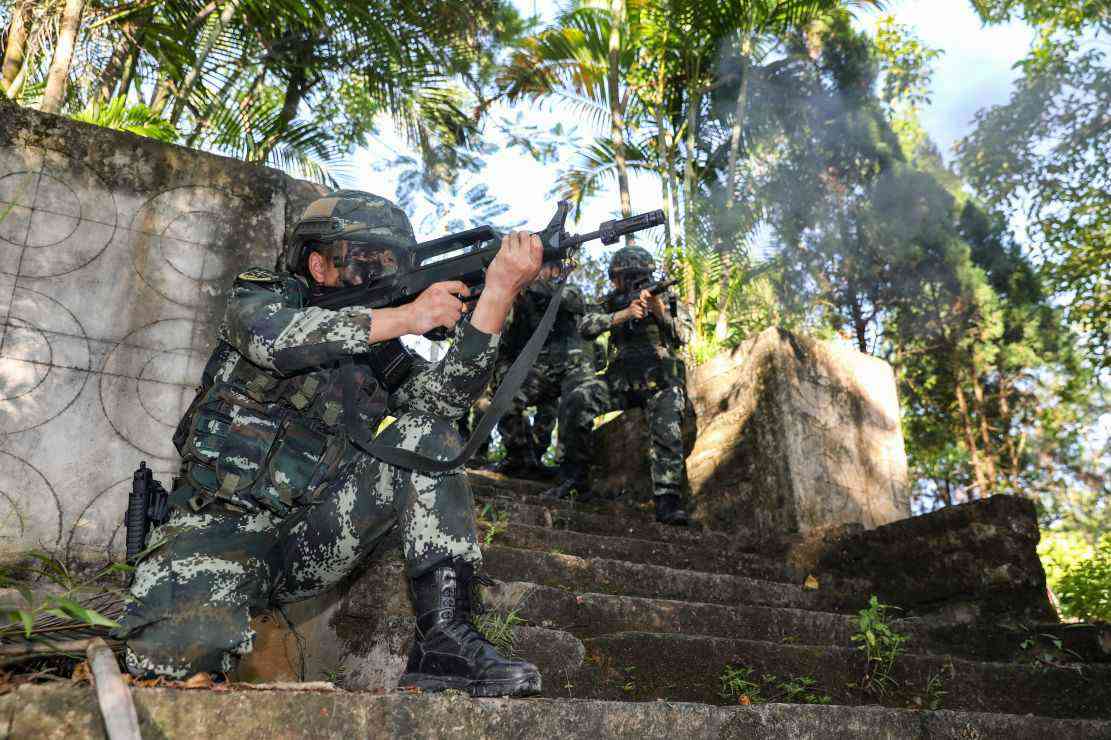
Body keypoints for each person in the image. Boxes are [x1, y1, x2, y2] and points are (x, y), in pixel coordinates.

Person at [116, 190, 545, 697]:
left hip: (312, 539)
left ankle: (445, 641)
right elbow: (274, 339)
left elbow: (443, 401)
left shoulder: (381, 352)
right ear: (318, 265)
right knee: (166, 674)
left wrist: (497, 295)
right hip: (217, 527)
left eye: (390, 263)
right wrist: (408, 317)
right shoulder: (263, 295)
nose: (379, 275)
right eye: (364, 261)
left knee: (426, 436)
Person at [543, 246, 691, 526]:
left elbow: (684, 336)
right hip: (621, 380)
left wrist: (659, 311)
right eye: (620, 278)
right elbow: (586, 326)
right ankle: (574, 480)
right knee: (578, 399)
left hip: (660, 380)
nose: (618, 283)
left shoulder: (667, 298)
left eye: (622, 278)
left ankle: (668, 500)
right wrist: (624, 314)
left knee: (668, 426)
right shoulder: (613, 301)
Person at [484, 261, 594, 479]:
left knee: (554, 414)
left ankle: (554, 465)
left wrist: (527, 284)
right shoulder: (522, 302)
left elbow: (572, 302)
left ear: (555, 270)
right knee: (505, 401)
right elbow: (507, 345)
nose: (536, 273)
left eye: (541, 268)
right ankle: (521, 460)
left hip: (568, 371)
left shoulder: (567, 291)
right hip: (537, 373)